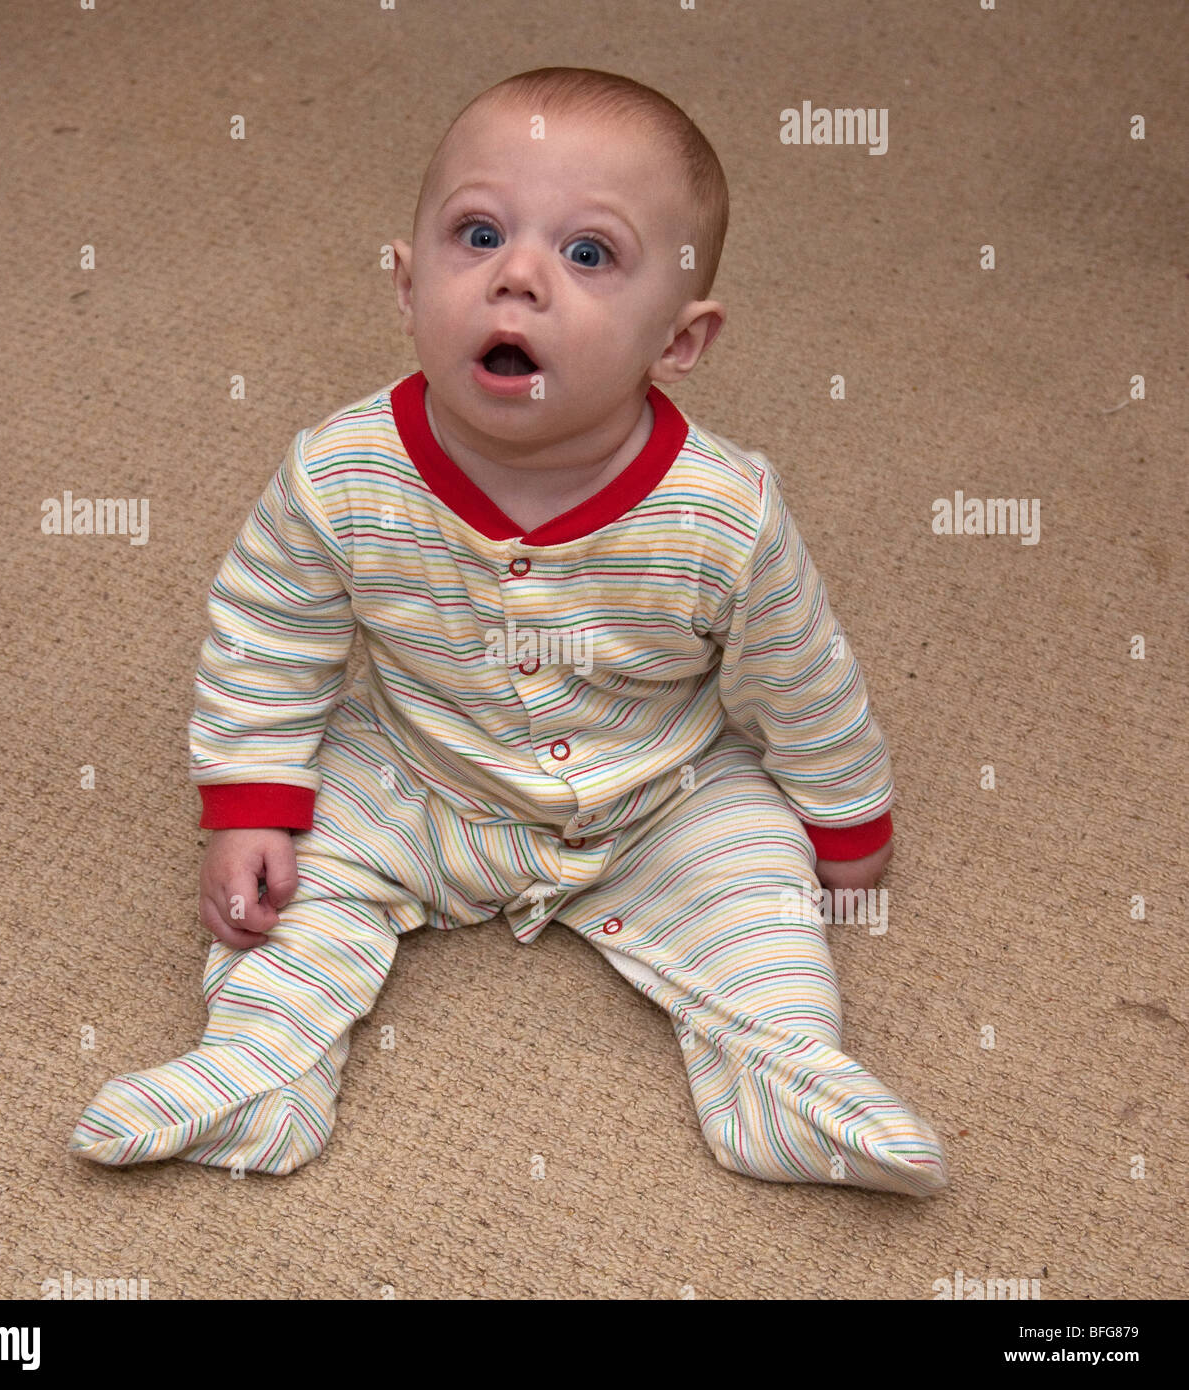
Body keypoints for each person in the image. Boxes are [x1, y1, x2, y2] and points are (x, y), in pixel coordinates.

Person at [70, 66, 948, 1196]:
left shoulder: (723, 512)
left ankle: (782, 1081)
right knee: (294, 887)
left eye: (588, 255)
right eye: (475, 234)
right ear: (404, 281)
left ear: (677, 342)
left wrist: (845, 819)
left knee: (757, 887)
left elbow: (800, 678)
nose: (517, 277)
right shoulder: (342, 472)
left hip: (657, 790)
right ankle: (257, 1071)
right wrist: (251, 798)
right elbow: (268, 631)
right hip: (413, 768)